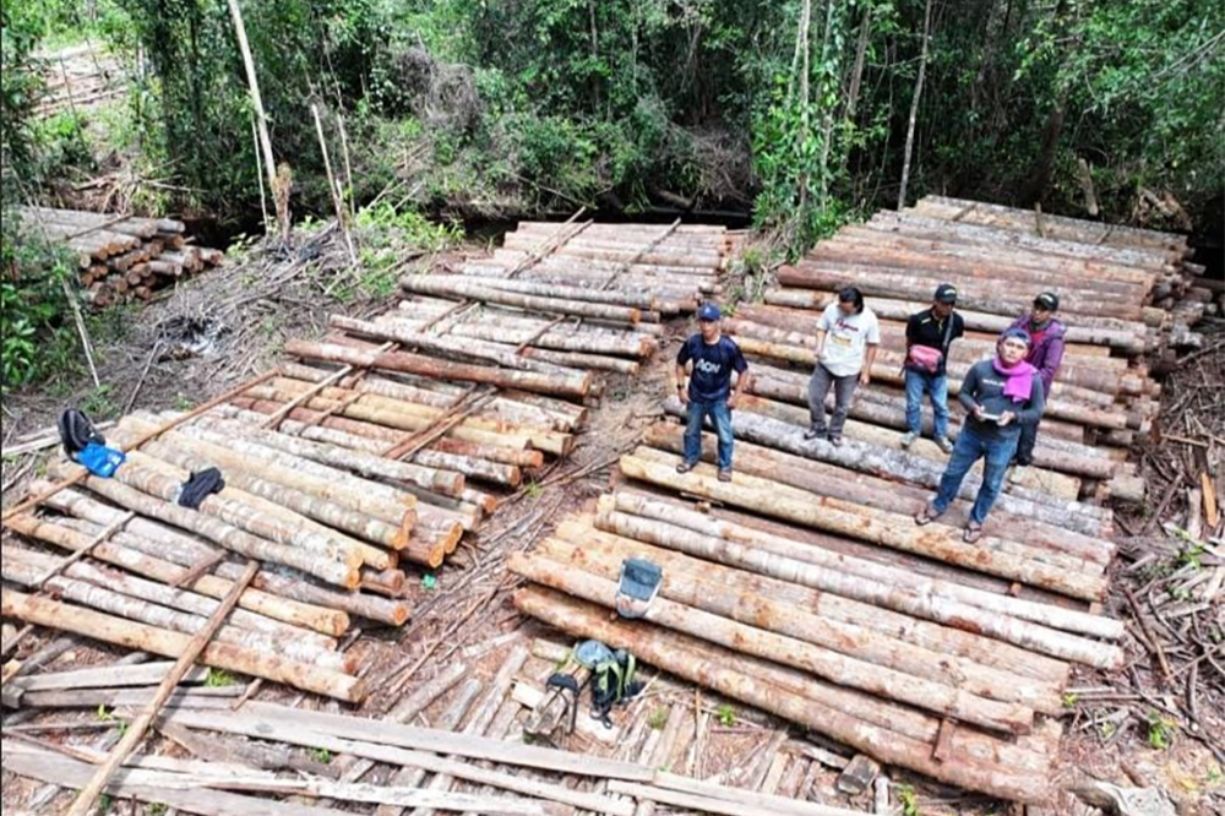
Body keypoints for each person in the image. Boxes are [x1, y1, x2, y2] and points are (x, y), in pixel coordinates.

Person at [915, 327, 1045, 542]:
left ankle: (977, 519)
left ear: (1025, 353)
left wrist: (1014, 416)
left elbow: (1037, 411)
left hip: (1003, 439)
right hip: (972, 433)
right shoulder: (981, 369)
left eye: (1019, 348)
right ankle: (938, 505)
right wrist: (974, 408)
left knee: (992, 483)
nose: (1013, 350)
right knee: (953, 473)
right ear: (1000, 345)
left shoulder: (1032, 378)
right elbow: (964, 394)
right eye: (1010, 345)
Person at [675, 302, 748, 482]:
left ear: (718, 323)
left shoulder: (728, 347)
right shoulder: (693, 343)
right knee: (691, 431)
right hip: (696, 396)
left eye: (710, 322)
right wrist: (680, 387)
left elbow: (744, 371)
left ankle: (725, 466)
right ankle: (690, 458)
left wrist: (736, 396)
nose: (706, 326)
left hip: (719, 399)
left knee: (724, 434)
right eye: (703, 322)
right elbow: (679, 363)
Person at [805, 286, 880, 446]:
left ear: (856, 306)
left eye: (846, 310)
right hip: (826, 361)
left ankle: (835, 432)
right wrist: (819, 346)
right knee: (814, 397)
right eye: (841, 307)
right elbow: (821, 328)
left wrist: (866, 371)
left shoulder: (869, 319)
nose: (842, 311)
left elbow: (872, 345)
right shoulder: (832, 309)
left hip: (849, 367)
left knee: (842, 405)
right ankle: (818, 427)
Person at [902, 283, 965, 453]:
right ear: (935, 302)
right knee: (914, 403)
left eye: (952, 304)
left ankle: (941, 435)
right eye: (945, 303)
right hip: (915, 369)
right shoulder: (918, 319)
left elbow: (957, 343)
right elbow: (910, 341)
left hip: (939, 371)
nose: (948, 307)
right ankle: (913, 430)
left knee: (941, 405)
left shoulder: (956, 321)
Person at [1008, 292, 1066, 467]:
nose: (1038, 312)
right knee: (1007, 413)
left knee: (1028, 420)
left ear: (1051, 313)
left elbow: (1049, 368)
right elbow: (1003, 341)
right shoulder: (1021, 324)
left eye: (1043, 310)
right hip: (1011, 378)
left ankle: (1023, 457)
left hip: (1035, 384)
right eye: (1036, 307)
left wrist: (1029, 381)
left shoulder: (1054, 338)